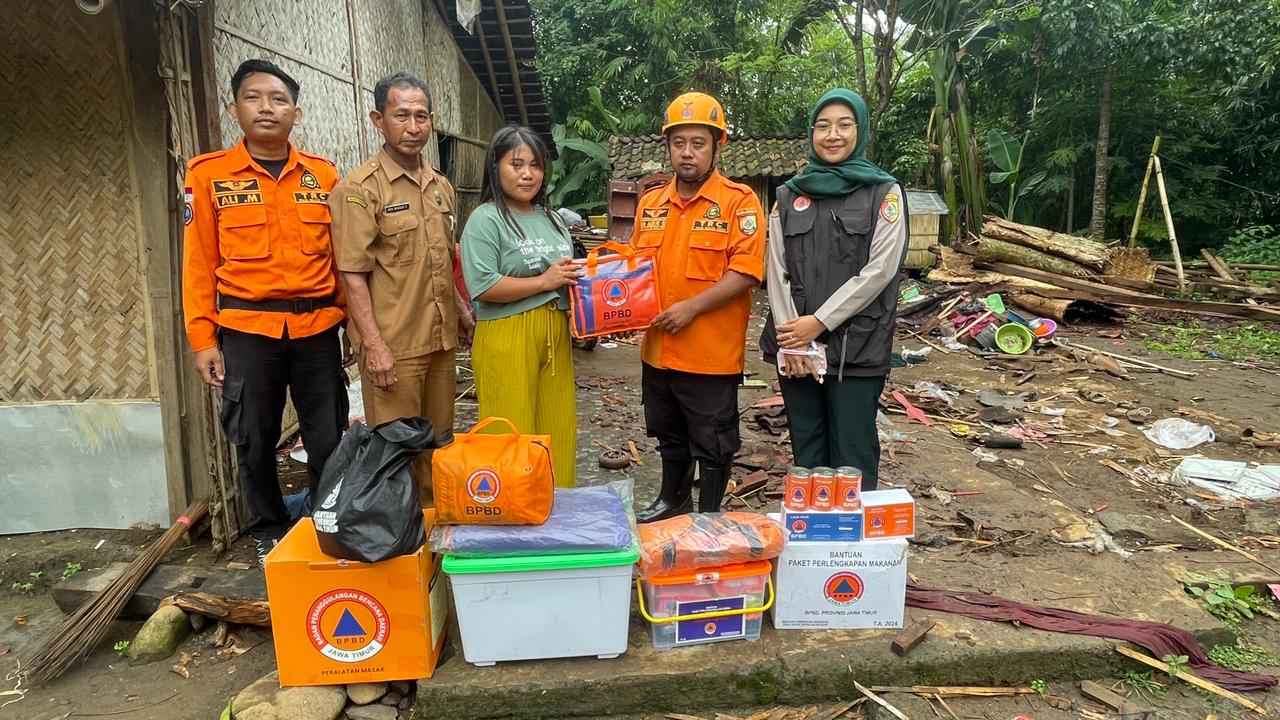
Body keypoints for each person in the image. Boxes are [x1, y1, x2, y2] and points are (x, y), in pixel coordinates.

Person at [183, 59, 348, 565]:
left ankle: (324, 525)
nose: (266, 107)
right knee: (253, 440)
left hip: (318, 326)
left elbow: (343, 259)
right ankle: (269, 530)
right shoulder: (209, 175)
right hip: (246, 330)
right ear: (235, 109)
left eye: (278, 99)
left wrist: (353, 324)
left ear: (296, 114)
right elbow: (198, 262)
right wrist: (202, 339)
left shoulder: (323, 175)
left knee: (328, 437)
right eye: (254, 97)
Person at [329, 72, 474, 506]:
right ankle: (401, 544)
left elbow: (443, 259)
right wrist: (373, 345)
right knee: (396, 453)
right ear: (379, 119)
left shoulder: (439, 185)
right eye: (402, 116)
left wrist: (463, 313)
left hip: (439, 340)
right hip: (395, 345)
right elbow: (351, 272)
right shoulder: (359, 189)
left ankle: (433, 537)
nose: (414, 127)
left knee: (439, 443)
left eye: (422, 117)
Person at [760, 88, 909, 491]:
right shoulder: (789, 196)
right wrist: (792, 337)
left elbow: (881, 270)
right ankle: (812, 548)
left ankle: (852, 551)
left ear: (860, 132)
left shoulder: (884, 192)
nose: (833, 134)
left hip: (857, 349)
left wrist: (820, 322)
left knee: (853, 454)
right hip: (796, 349)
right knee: (806, 452)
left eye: (845, 125)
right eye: (823, 126)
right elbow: (776, 269)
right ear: (811, 133)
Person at [629, 92, 766, 522]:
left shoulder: (739, 202)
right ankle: (674, 500)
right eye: (678, 142)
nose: (687, 153)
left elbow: (745, 272)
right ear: (667, 146)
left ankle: (709, 514)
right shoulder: (651, 203)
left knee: (714, 439)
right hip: (659, 350)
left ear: (717, 145)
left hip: (709, 353)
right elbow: (632, 269)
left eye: (698, 143)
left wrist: (691, 308)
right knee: (668, 433)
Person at [460, 126, 580, 487]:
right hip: (506, 336)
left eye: (535, 165)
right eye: (516, 164)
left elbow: (567, 277)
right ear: (496, 167)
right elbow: (483, 285)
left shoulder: (552, 218)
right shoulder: (486, 219)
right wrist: (545, 282)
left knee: (557, 432)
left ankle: (557, 519)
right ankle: (510, 523)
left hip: (555, 335)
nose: (527, 174)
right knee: (510, 435)